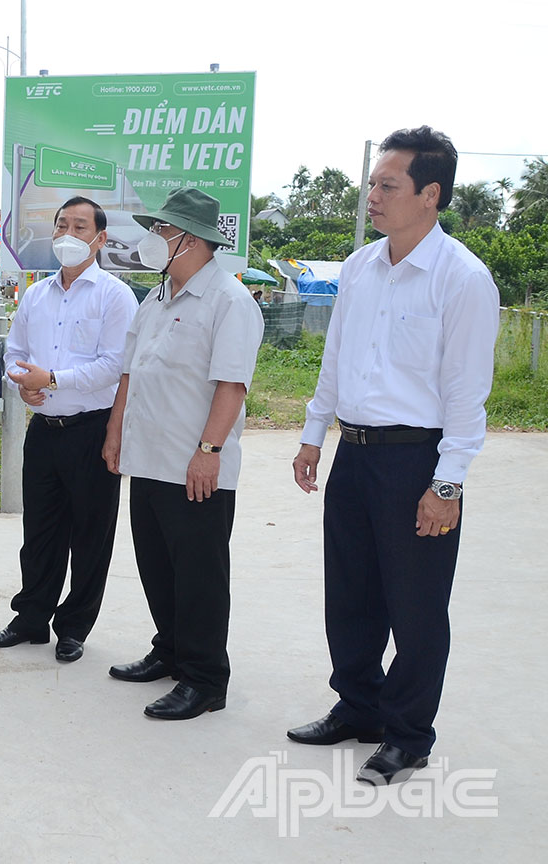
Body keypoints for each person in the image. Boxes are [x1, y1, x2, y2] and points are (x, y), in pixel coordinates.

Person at [286, 127, 499, 785]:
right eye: (372, 184)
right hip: (356, 451)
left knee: (415, 605)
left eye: (387, 185)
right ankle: (359, 707)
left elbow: (467, 396)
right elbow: (338, 359)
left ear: (430, 195)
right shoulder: (359, 266)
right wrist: (313, 433)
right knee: (350, 593)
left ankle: (408, 735)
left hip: (418, 460)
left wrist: (448, 485)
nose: (373, 196)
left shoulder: (462, 279)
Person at [101, 187, 264, 721]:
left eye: (161, 231)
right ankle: (169, 650)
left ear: (188, 239)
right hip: (148, 459)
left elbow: (231, 386)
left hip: (194, 465)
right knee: (158, 566)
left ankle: (204, 678)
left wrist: (209, 451)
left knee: (199, 576)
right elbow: (130, 373)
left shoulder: (229, 301)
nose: (153, 240)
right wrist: (115, 433)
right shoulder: (157, 297)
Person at [0, 197, 138, 663]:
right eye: (61, 225)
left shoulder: (114, 295)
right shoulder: (36, 294)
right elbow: (16, 352)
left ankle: (74, 627)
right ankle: (31, 619)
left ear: (100, 238)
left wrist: (51, 380)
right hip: (44, 430)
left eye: (79, 226)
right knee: (41, 532)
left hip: (92, 430)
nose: (68, 234)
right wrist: (23, 385)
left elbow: (114, 366)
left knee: (91, 534)